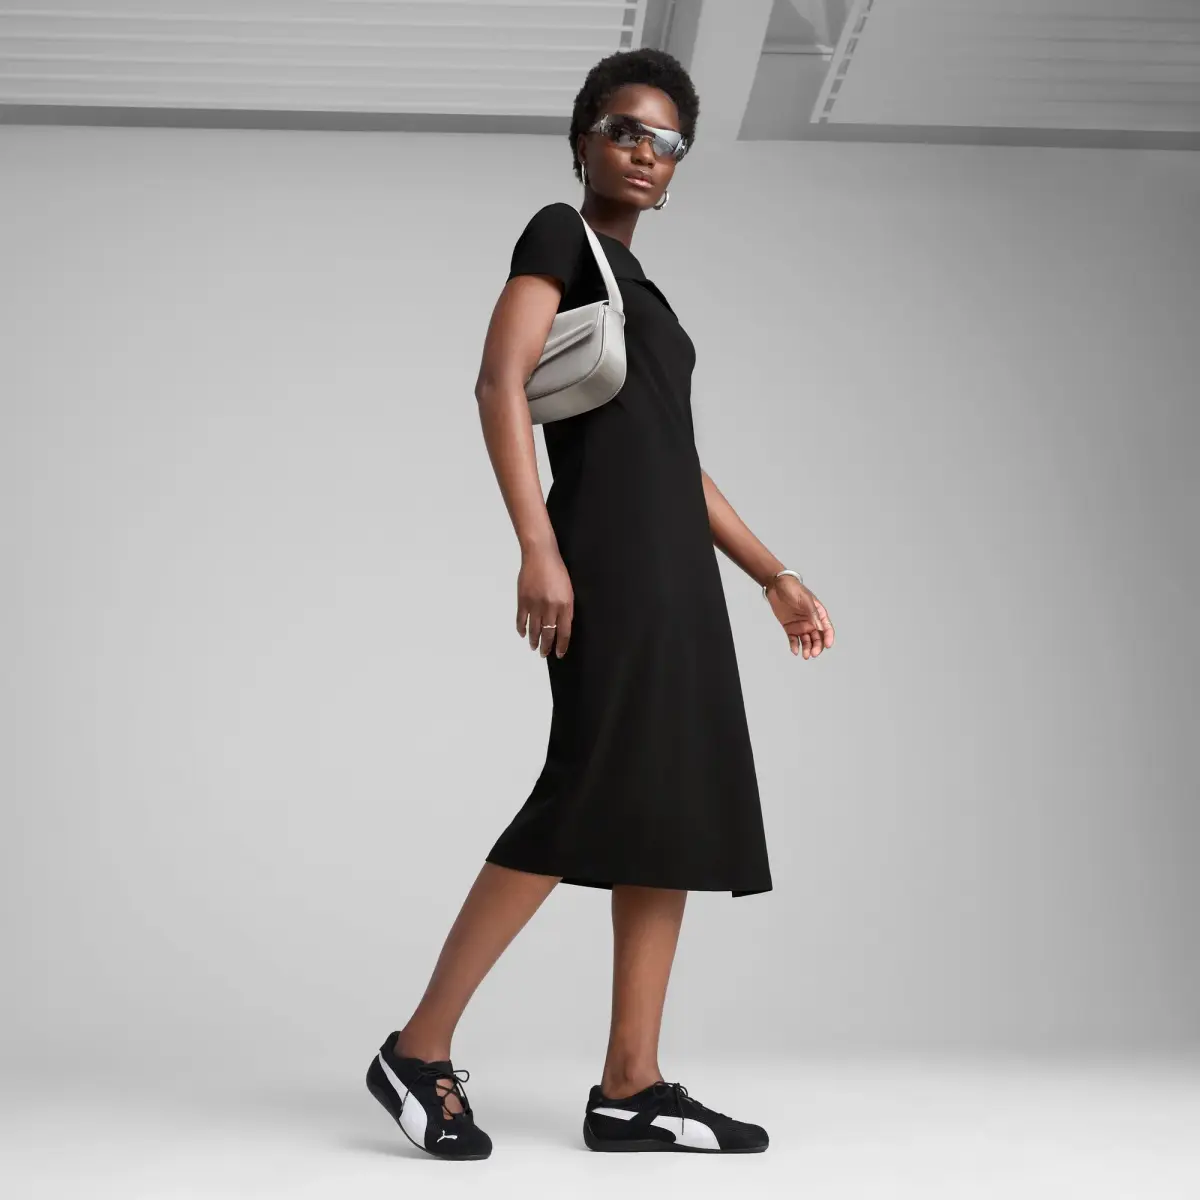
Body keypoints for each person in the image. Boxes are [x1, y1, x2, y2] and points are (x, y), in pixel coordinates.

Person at [365, 47, 834, 1161]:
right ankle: (417, 1050)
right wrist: (538, 544)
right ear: (583, 138)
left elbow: (676, 463)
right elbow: (499, 382)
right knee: (586, 782)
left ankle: (633, 1086)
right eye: (626, 130)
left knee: (669, 807)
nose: (646, 154)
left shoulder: (647, 294)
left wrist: (773, 574)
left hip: (676, 573)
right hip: (606, 561)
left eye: (668, 143)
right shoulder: (557, 237)